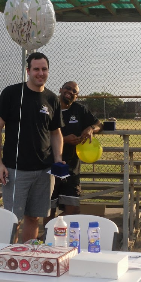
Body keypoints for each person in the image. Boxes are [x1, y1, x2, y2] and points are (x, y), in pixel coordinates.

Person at [0, 52, 64, 243]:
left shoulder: (52, 98)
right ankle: (8, 260)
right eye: (36, 69)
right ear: (28, 71)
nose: (40, 73)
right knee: (13, 220)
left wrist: (58, 160)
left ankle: (27, 258)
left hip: (44, 171)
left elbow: (55, 132)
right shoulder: (12, 93)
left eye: (44, 69)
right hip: (16, 170)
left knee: (34, 217)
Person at [45, 81, 102, 224]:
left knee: (74, 211)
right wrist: (65, 140)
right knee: (48, 209)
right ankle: (47, 238)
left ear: (77, 96)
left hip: (71, 167)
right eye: (67, 88)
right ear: (60, 89)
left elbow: (99, 124)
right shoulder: (49, 108)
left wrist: (90, 128)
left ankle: (56, 229)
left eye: (74, 91)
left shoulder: (79, 110)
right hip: (50, 164)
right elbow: (42, 135)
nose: (70, 91)